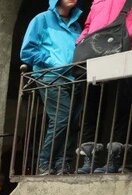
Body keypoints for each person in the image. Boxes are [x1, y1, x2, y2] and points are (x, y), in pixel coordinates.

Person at [20, 0, 84, 175]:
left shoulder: (76, 26)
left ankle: (63, 164)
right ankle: (45, 162)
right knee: (62, 118)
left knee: (73, 122)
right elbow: (27, 51)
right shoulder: (42, 19)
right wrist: (53, 63)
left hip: (73, 79)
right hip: (50, 77)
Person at [75, 0, 132, 174]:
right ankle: (89, 158)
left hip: (123, 51)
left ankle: (115, 158)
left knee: (120, 105)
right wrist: (81, 40)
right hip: (96, 53)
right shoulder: (97, 0)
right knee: (91, 105)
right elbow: (89, 24)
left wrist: (128, 35)